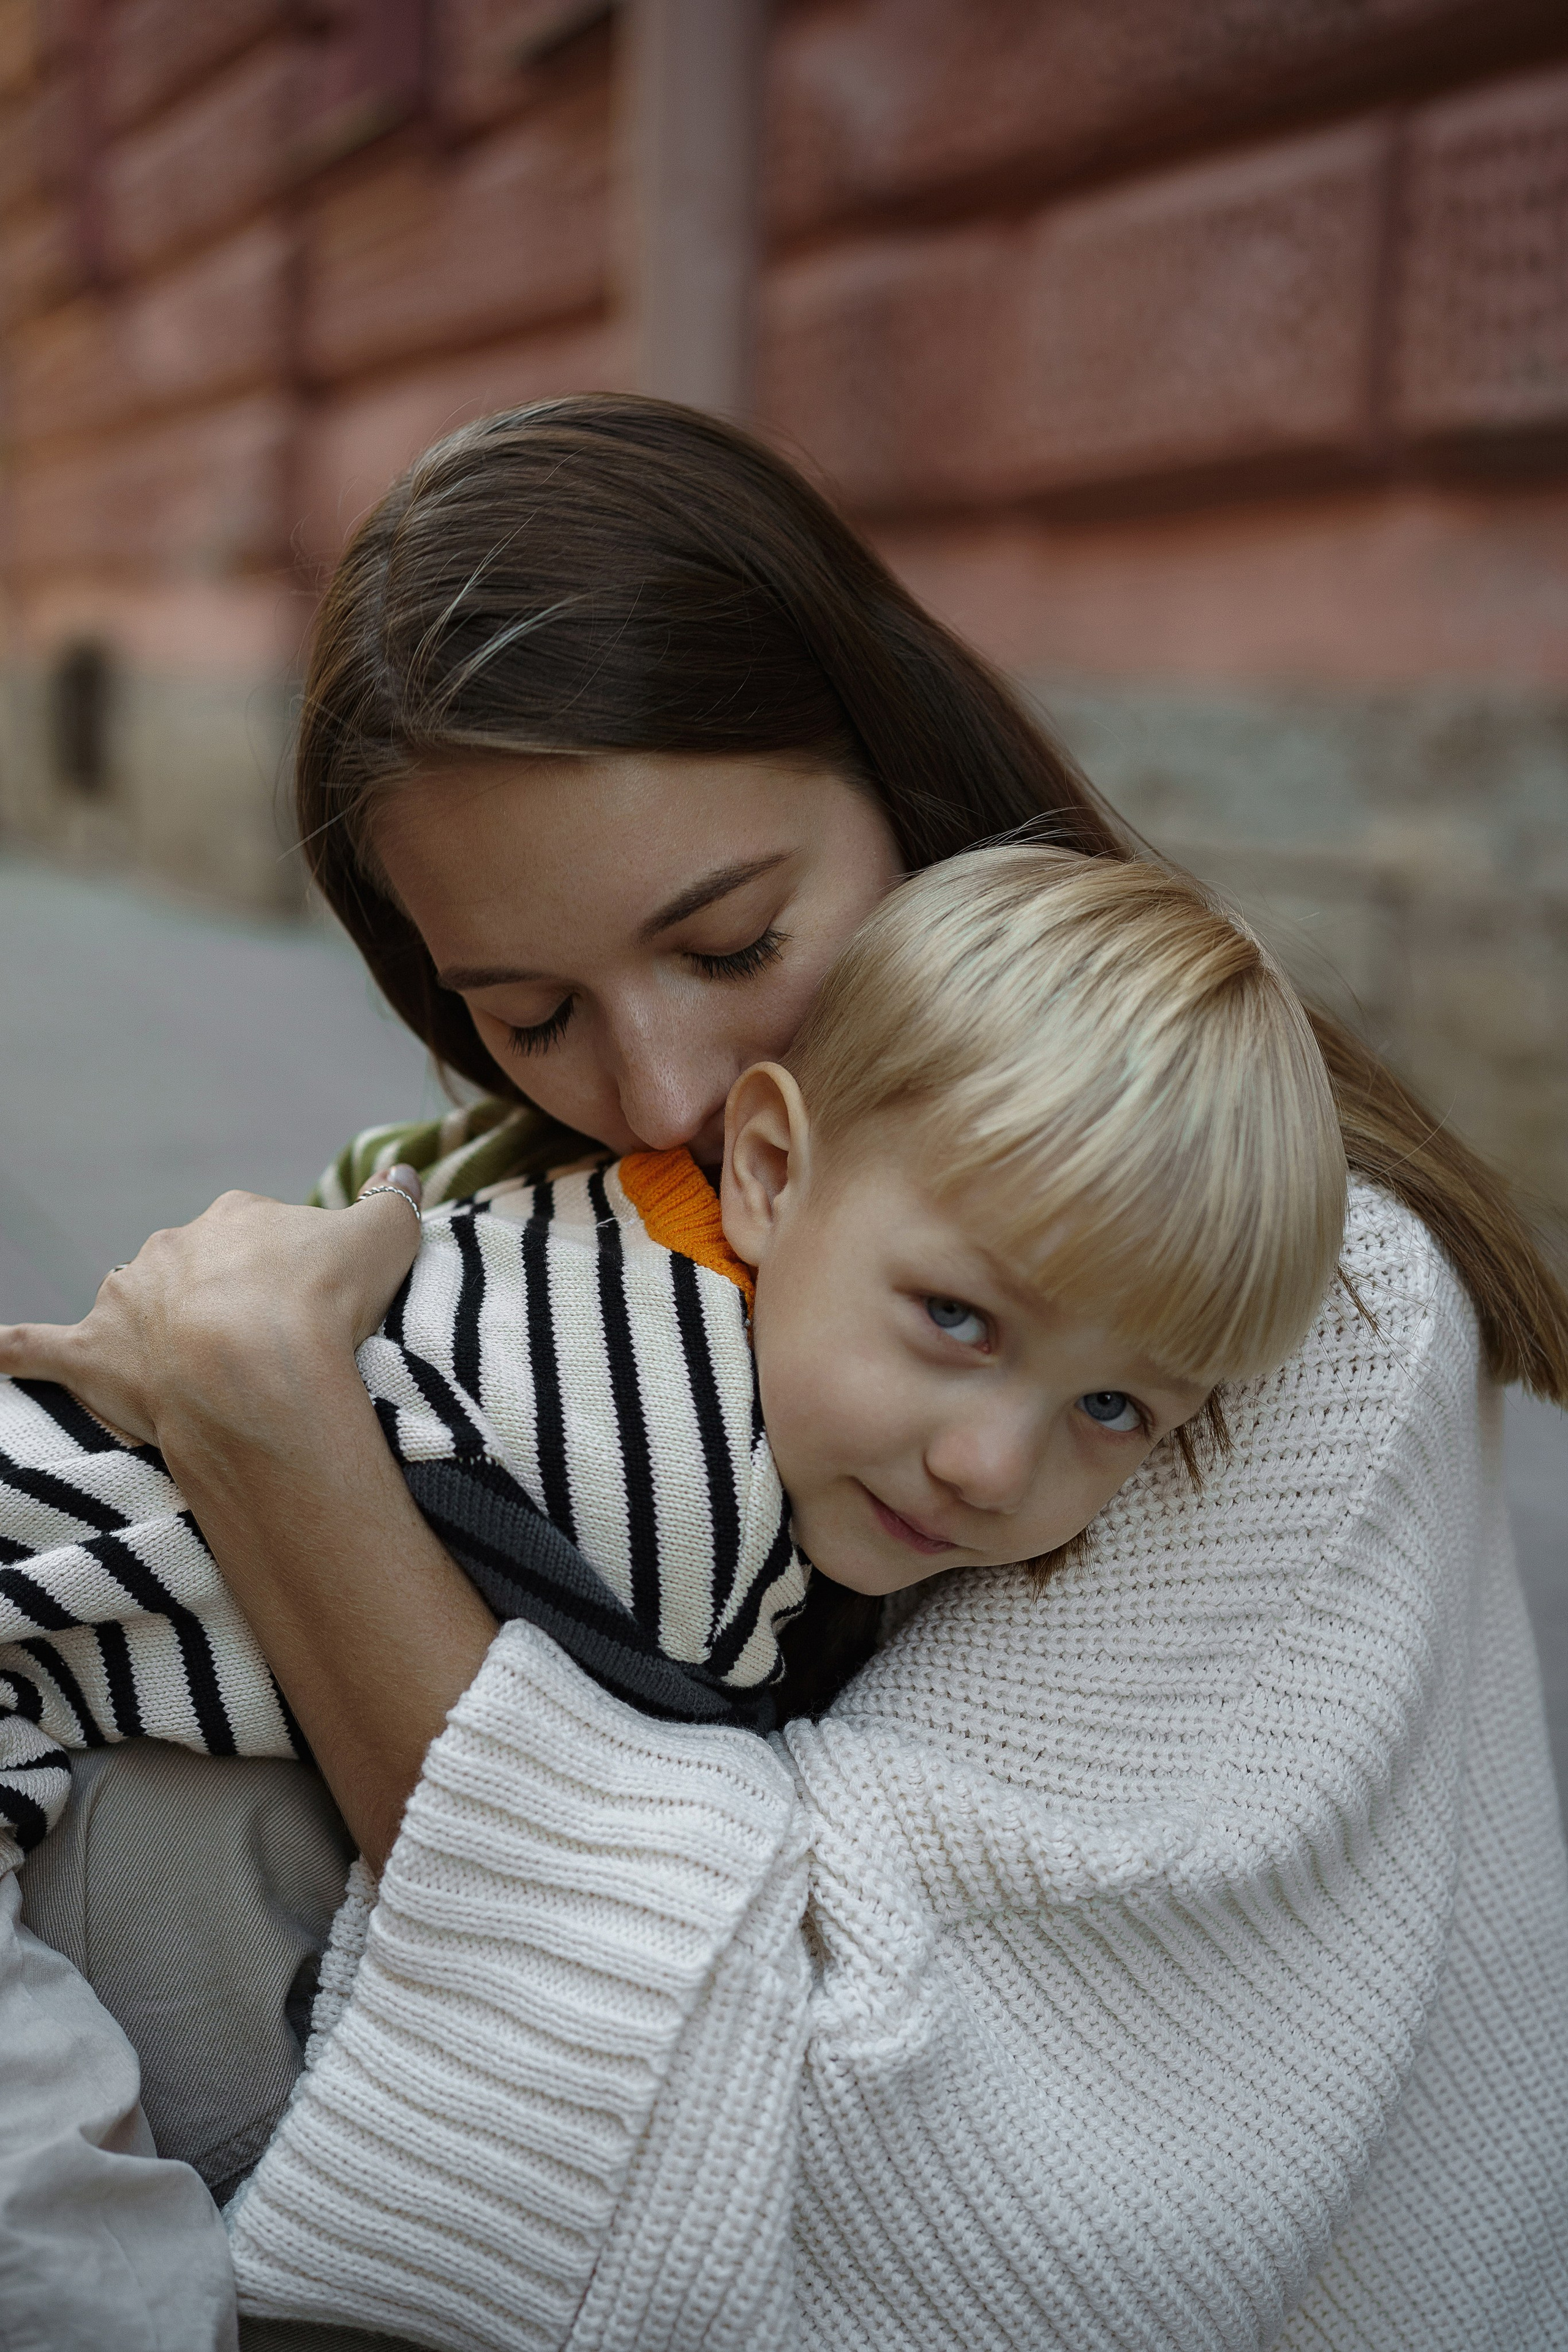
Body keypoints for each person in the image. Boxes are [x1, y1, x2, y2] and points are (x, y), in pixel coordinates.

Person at [5, 395, 1567, 2350]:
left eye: (735, 941)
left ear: (908, 794)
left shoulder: (1280, 1300)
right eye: (532, 1011)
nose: (657, 1090)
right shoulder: (590, 1204)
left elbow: (873, 2131)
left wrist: (285, 1438)